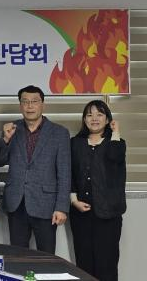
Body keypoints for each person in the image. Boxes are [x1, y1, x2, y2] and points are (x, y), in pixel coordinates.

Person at [0, 85, 70, 254]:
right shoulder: (12, 129)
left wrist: (61, 207)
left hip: (46, 204)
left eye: (34, 101)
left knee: (46, 257)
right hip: (17, 203)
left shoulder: (59, 133)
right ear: (20, 105)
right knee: (17, 255)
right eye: (25, 102)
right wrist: (6, 140)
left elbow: (64, 173)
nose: (30, 106)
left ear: (42, 104)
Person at [70, 100, 126, 281]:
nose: (94, 118)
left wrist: (115, 131)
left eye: (99, 114)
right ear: (84, 119)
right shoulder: (75, 143)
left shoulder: (117, 142)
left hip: (108, 214)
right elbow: (69, 173)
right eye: (89, 115)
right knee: (84, 264)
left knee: (107, 264)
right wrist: (73, 200)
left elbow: (114, 157)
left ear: (107, 119)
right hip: (81, 213)